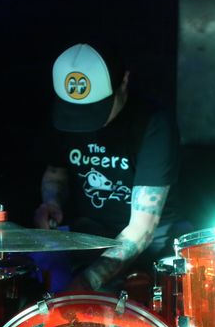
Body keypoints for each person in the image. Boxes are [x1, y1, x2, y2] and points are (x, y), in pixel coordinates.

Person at [33, 42, 184, 294]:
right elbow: (56, 173)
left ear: (124, 81)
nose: (83, 120)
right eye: (75, 110)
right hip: (88, 236)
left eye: (94, 109)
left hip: (152, 243)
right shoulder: (61, 119)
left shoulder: (154, 124)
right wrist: (52, 202)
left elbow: (142, 229)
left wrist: (86, 283)